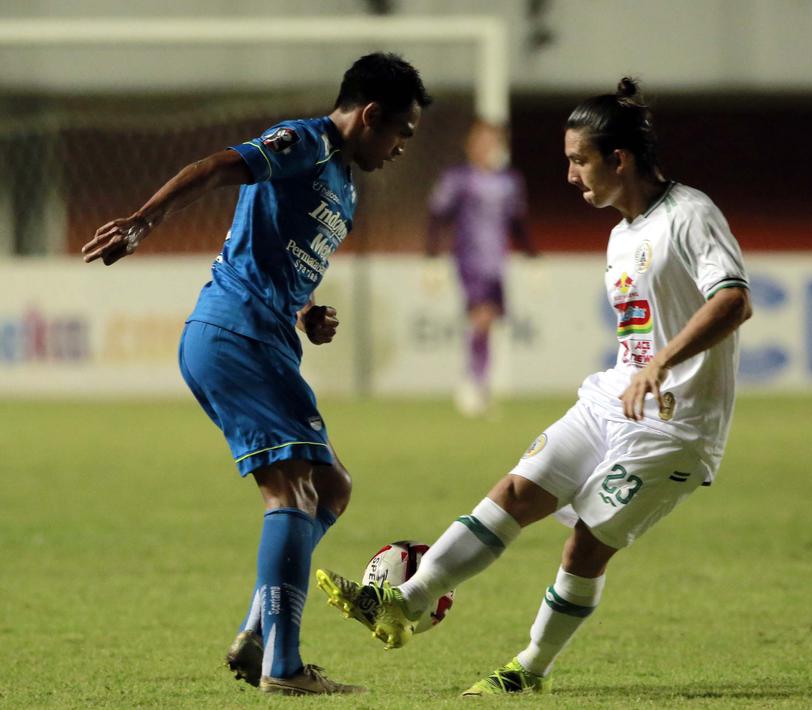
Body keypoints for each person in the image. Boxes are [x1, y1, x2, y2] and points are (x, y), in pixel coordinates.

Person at [316, 78, 752, 695]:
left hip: (676, 427)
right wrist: (642, 366)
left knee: (584, 547)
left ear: (618, 159)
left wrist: (664, 361)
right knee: (518, 490)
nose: (572, 175)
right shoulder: (622, 233)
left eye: (579, 160)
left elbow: (733, 300)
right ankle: (404, 604)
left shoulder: (691, 214)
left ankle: (529, 669)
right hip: (613, 399)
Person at [80, 53, 431, 695]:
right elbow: (216, 166)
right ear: (372, 114)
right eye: (402, 131)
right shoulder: (304, 141)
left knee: (331, 488)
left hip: (264, 336)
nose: (403, 146)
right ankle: (284, 667)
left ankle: (257, 635)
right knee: (291, 491)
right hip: (235, 332)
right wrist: (143, 220)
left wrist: (305, 312)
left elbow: (277, 255)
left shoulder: (344, 187)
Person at [425, 119, 536, 417]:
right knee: (482, 318)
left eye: (493, 141)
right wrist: (432, 257)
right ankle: (472, 385)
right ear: (471, 145)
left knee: (488, 323)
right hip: (469, 260)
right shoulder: (458, 178)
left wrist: (533, 256)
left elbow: (517, 222)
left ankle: (478, 385)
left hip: (496, 264)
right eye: (482, 140)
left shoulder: (510, 181)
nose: (488, 147)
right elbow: (437, 215)